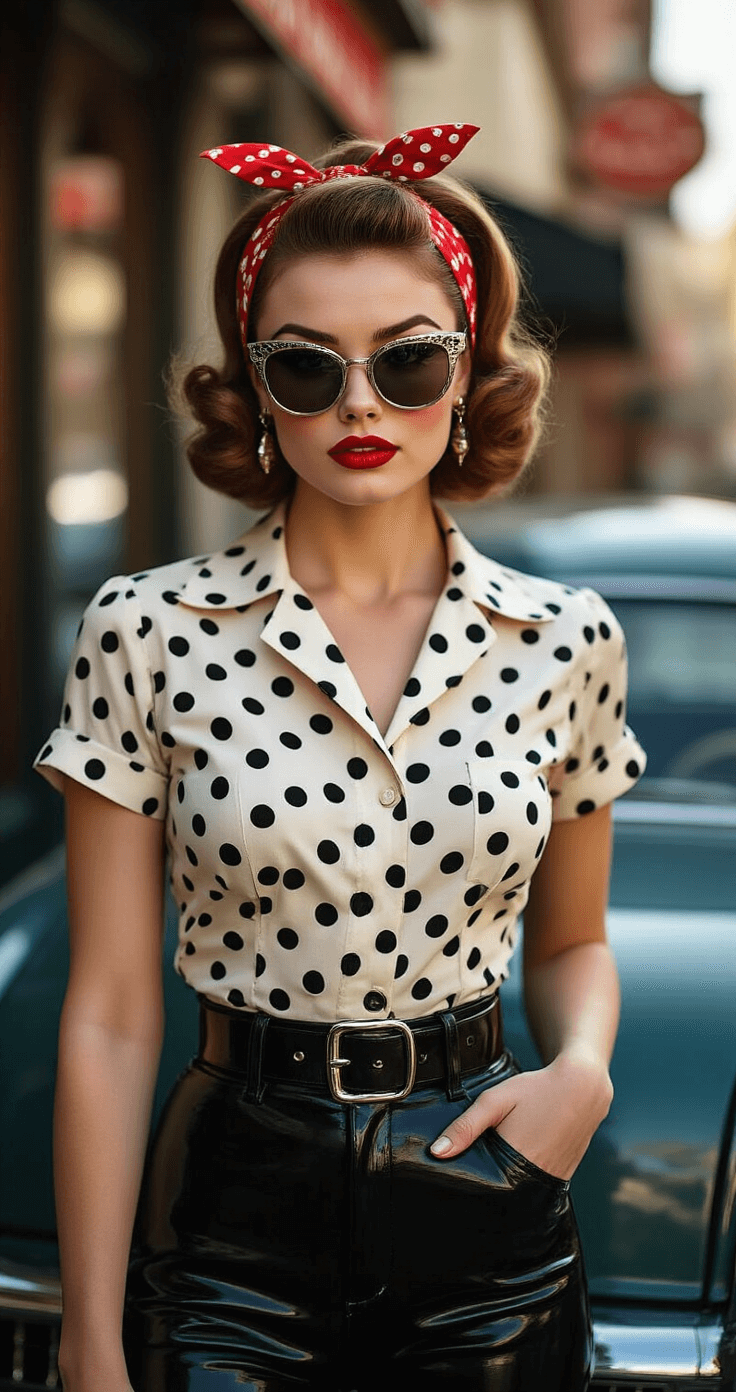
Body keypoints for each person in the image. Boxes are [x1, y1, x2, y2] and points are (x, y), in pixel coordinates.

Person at [32, 123, 646, 1392]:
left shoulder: (566, 639)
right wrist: (90, 1339)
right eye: (308, 369)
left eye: (410, 360)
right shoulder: (145, 630)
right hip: (225, 1229)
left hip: (490, 1207)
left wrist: (578, 1073)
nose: (361, 404)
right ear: (255, 388)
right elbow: (105, 1010)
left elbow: (573, 941)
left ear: (466, 372)